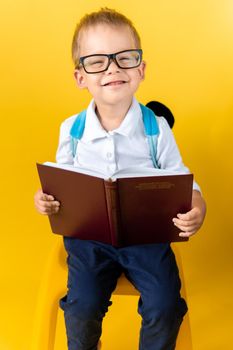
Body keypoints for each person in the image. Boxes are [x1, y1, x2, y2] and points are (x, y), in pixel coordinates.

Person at [34, 7, 206, 350]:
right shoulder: (72, 130)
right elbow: (60, 182)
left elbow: (183, 179)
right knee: (81, 305)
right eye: (97, 61)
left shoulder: (155, 128)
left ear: (140, 70)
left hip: (146, 237)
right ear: (80, 77)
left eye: (124, 58)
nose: (112, 67)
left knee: (166, 304)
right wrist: (45, 199)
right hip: (88, 239)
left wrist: (197, 207)